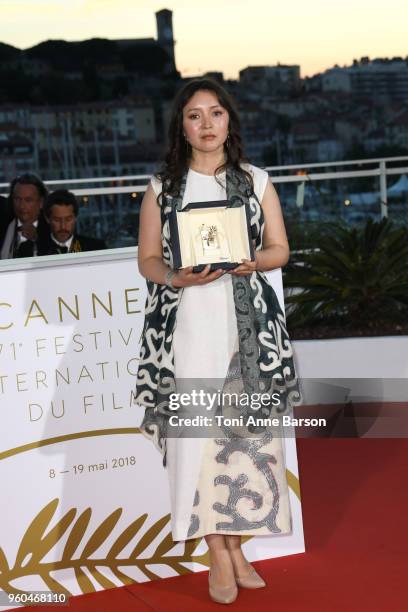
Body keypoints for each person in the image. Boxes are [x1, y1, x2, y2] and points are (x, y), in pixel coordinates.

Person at [135, 78, 299, 605]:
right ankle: (217, 554)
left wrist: (253, 261)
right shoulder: (163, 188)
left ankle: (234, 547)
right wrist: (175, 278)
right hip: (187, 325)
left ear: (230, 120)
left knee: (240, 439)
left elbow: (279, 250)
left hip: (245, 325)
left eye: (215, 113)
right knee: (199, 441)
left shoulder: (256, 180)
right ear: (180, 127)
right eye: (194, 116)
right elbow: (148, 261)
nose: (206, 125)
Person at [26, 189, 107, 255]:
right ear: (47, 219)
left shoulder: (96, 248)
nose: (63, 226)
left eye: (68, 219)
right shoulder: (30, 250)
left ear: (75, 218)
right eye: (57, 220)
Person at [0, 173, 49, 259]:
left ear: (41, 202)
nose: (22, 206)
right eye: (17, 199)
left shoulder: (52, 229)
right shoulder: (4, 217)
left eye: (28, 200)